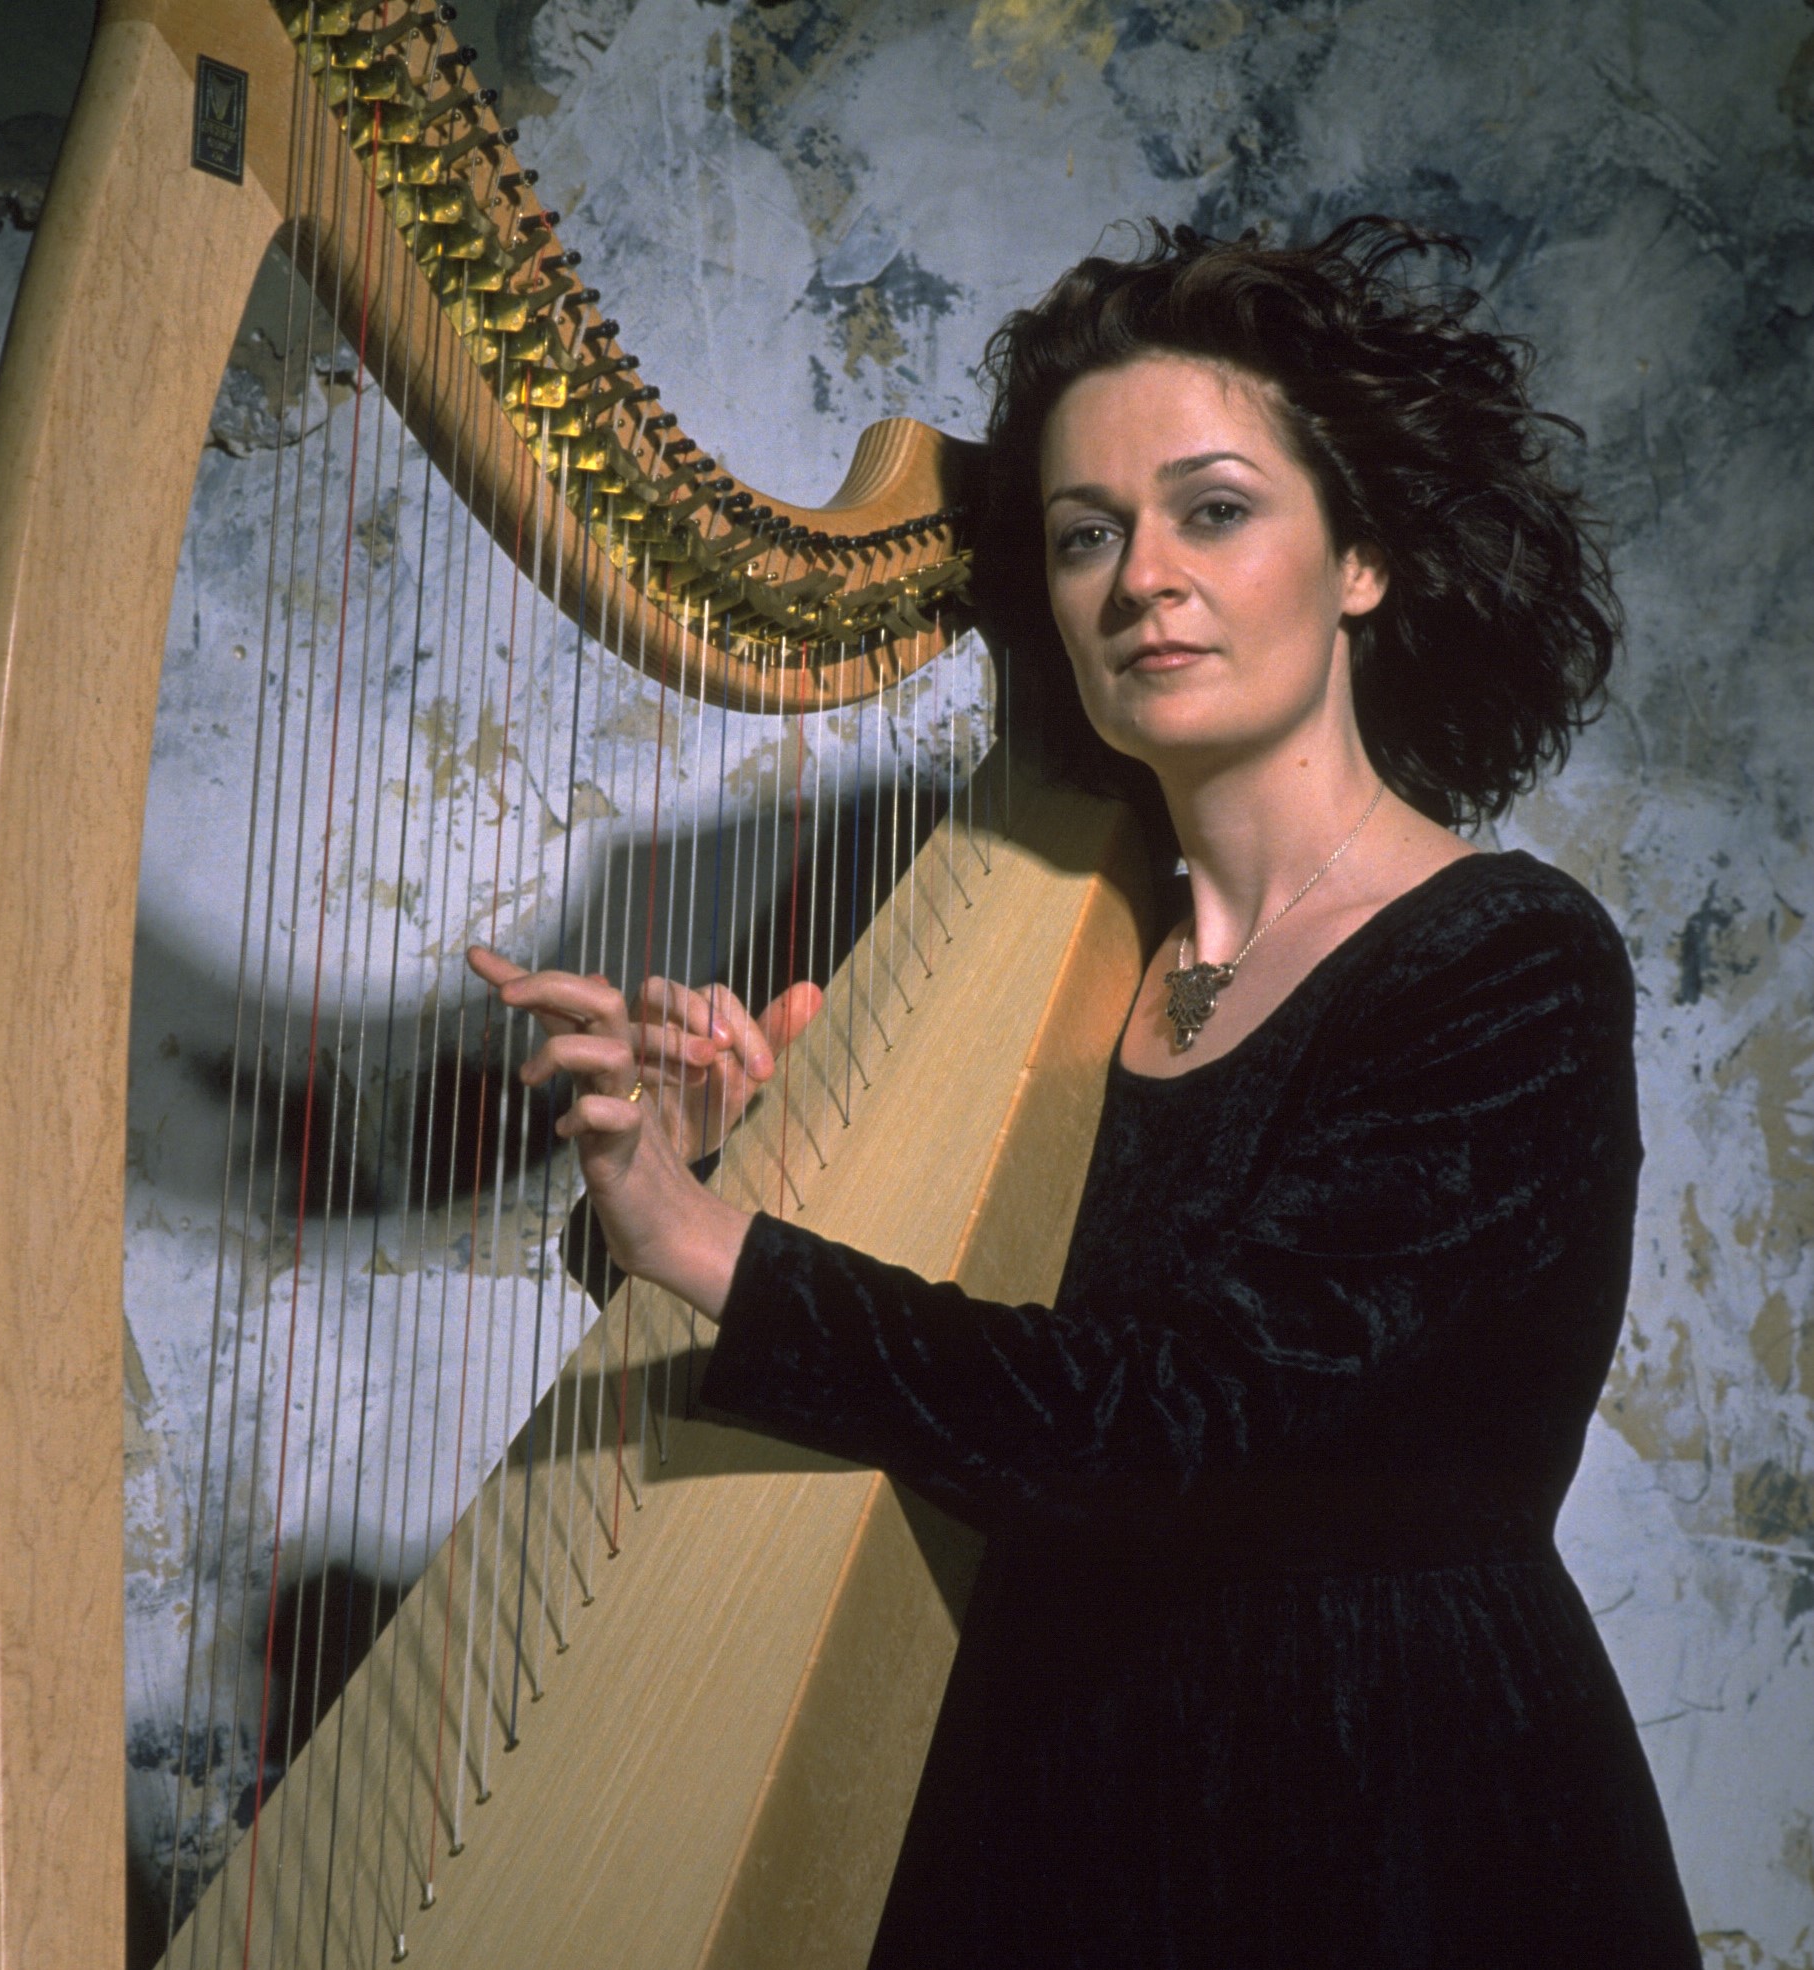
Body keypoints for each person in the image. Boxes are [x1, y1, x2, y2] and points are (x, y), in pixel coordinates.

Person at [468, 218, 1702, 1968]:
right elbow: (942, 1379)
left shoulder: (1503, 960)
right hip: (1051, 1800)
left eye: (1214, 509)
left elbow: (1186, 1421)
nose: (1143, 580)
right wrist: (705, 1173)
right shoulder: (1053, 958)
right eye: (1083, 533)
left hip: (1375, 1810)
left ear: (1359, 557)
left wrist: (711, 1243)